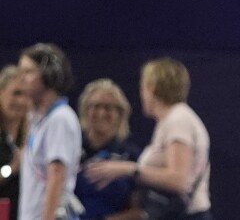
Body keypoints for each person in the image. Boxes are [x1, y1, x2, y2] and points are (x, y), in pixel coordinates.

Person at [86, 59, 211, 220]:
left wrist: (128, 169)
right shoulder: (172, 120)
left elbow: (179, 180)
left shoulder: (178, 120)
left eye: (143, 87)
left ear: (151, 88)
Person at [15, 44, 81, 220]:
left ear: (49, 75)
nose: (21, 79)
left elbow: (57, 176)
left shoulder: (60, 119)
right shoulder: (40, 121)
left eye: (28, 72)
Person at [73, 80, 142, 220]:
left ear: (120, 114)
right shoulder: (71, 150)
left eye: (109, 107)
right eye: (96, 106)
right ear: (85, 110)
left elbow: (140, 211)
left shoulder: (130, 156)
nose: (102, 112)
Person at [0, 65, 32, 211]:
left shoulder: (34, 135)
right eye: (16, 93)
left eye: (27, 95)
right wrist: (11, 168)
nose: (21, 101)